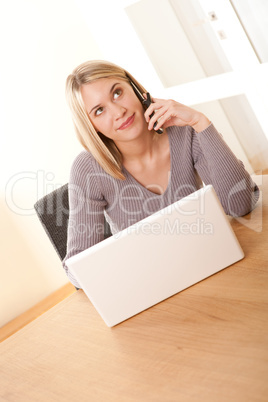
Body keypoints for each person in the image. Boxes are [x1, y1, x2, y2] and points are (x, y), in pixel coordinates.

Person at [63, 59, 259, 288]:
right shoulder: (88, 169)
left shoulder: (184, 131)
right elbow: (77, 271)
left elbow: (240, 204)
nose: (119, 112)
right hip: (152, 286)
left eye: (117, 93)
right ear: (92, 126)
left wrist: (201, 123)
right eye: (99, 110)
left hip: (209, 266)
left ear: (136, 90)